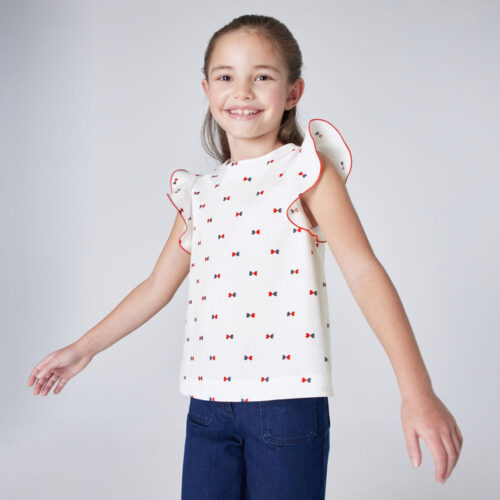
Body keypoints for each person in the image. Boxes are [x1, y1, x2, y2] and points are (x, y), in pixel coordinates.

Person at [27, 14, 463, 499]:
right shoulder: (200, 193)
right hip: (207, 405)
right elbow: (155, 287)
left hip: (286, 403)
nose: (242, 91)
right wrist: (82, 349)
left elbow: (363, 271)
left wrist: (416, 390)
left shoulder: (306, 171)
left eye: (262, 76)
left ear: (293, 92)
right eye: (225, 76)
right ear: (206, 89)